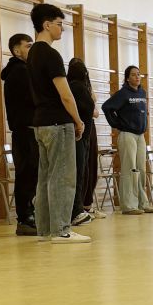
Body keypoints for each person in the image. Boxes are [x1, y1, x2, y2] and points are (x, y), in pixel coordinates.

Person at [26, 3, 89, 243]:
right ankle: (62, 229)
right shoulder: (50, 54)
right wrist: (78, 120)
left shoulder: (32, 54)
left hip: (40, 123)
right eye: (60, 24)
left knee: (45, 179)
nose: (62, 29)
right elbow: (65, 94)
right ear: (46, 25)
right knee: (62, 177)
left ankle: (45, 230)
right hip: (57, 123)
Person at [1, 33, 38, 236]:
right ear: (17, 50)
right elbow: (34, 99)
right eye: (28, 46)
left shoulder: (21, 71)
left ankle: (28, 216)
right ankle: (25, 218)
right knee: (27, 174)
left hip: (25, 130)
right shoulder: (21, 72)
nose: (32, 50)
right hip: (26, 130)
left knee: (29, 174)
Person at [102, 65, 152, 215]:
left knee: (141, 169)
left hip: (140, 136)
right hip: (127, 134)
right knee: (130, 168)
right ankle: (129, 205)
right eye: (134, 75)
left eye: (139, 74)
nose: (137, 77)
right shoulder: (123, 93)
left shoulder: (142, 92)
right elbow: (107, 107)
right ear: (127, 78)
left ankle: (142, 202)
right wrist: (117, 124)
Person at [68, 58, 96, 226]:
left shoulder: (70, 86)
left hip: (79, 136)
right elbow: (90, 109)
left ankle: (77, 209)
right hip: (79, 136)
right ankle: (76, 210)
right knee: (78, 173)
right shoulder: (79, 88)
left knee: (79, 172)